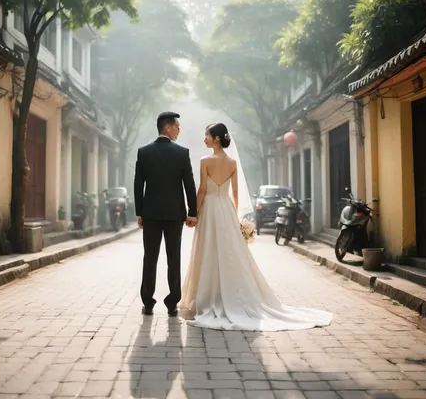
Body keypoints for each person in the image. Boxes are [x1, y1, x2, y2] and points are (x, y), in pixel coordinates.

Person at [179, 122, 333, 331]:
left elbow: (202, 190)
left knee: (207, 251)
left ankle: (206, 299)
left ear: (216, 139)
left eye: (206, 135)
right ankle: (230, 295)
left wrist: (193, 214)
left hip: (210, 210)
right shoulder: (232, 163)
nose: (204, 139)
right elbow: (235, 194)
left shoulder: (205, 161)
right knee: (229, 254)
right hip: (226, 211)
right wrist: (234, 217)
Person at [134, 112, 198, 317]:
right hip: (174, 215)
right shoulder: (182, 153)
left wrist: (139, 212)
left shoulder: (144, 152)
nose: (179, 129)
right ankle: (172, 302)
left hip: (150, 213)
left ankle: (148, 302)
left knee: (149, 258)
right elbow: (189, 185)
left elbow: (138, 185)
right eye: (177, 126)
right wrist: (192, 212)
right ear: (168, 127)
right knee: (174, 258)